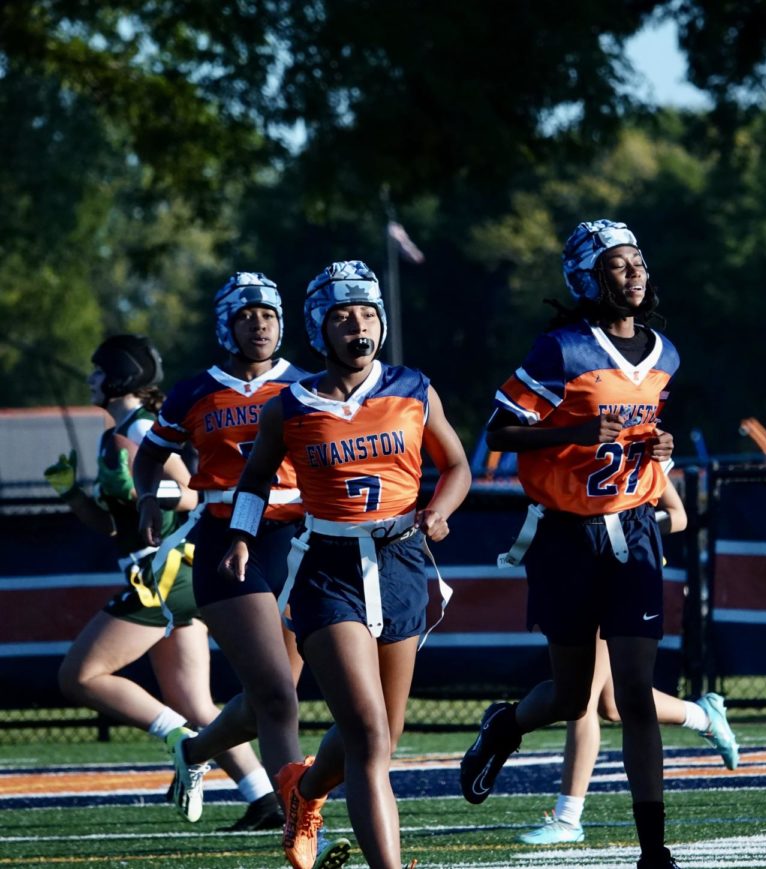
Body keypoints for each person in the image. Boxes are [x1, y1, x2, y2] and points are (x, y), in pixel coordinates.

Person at [220, 260, 471, 869]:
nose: (356, 324)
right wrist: (241, 535)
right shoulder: (291, 404)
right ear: (318, 329)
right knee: (366, 736)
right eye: (341, 315)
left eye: (365, 312)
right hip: (329, 567)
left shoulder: (414, 387)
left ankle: (303, 792)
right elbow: (254, 477)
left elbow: (457, 465)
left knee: (385, 734)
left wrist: (439, 510)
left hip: (402, 560)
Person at [460, 219, 682, 869]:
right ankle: (502, 727)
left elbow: (643, 426)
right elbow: (500, 432)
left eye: (638, 260)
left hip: (634, 528)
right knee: (570, 694)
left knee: (635, 693)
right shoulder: (559, 350)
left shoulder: (664, 351)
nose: (633, 273)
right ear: (586, 277)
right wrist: (576, 432)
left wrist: (658, 450)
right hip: (565, 533)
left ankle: (653, 848)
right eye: (617, 264)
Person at [45, 334, 269, 826]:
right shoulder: (118, 432)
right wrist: (73, 496)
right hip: (162, 569)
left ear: (121, 375)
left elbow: (193, 493)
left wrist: (153, 492)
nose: (90, 379)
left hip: (166, 570)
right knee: (192, 698)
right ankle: (264, 796)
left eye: (98, 370)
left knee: (80, 676)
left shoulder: (143, 427)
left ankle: (181, 743)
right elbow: (112, 527)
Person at [133, 273, 309, 832]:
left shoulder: (306, 385)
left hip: (299, 541)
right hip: (224, 541)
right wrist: (145, 498)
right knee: (279, 699)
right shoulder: (194, 391)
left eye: (268, 315)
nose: (260, 325)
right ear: (225, 326)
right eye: (247, 316)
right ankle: (300, 825)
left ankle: (193, 750)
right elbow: (150, 456)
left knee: (268, 699)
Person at [516, 479, 739, 845]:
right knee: (611, 704)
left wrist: (630, 526)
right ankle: (703, 715)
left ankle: (569, 816)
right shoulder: (576, 447)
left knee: (587, 699)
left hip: (623, 575)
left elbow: (679, 516)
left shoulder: (636, 446)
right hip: (579, 567)